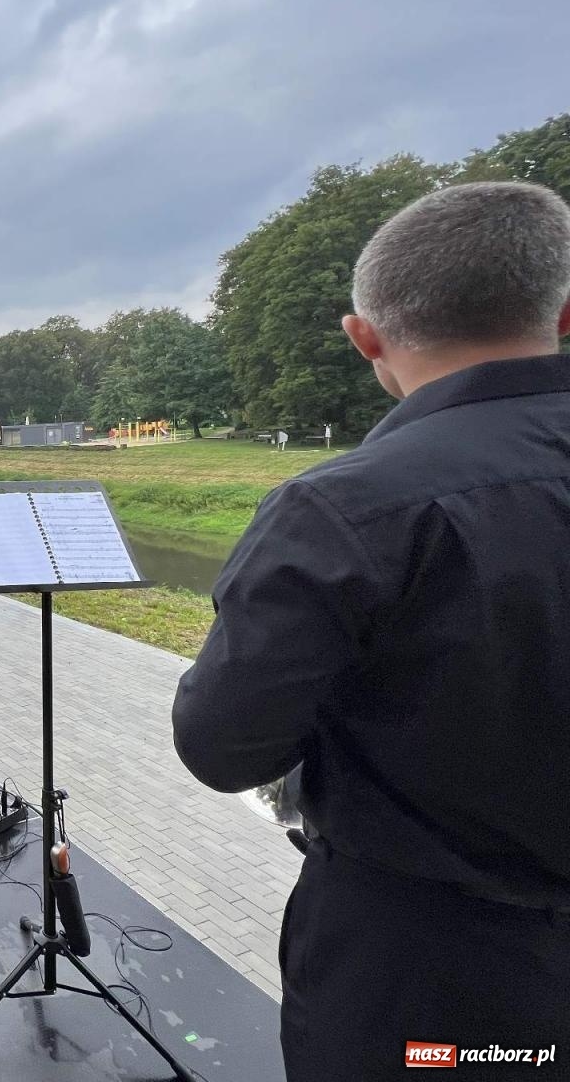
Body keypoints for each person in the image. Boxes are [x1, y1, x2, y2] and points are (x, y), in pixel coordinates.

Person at [172, 181, 570, 1081]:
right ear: (564, 311)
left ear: (365, 336)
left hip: (432, 976)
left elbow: (220, 747)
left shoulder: (343, 508)